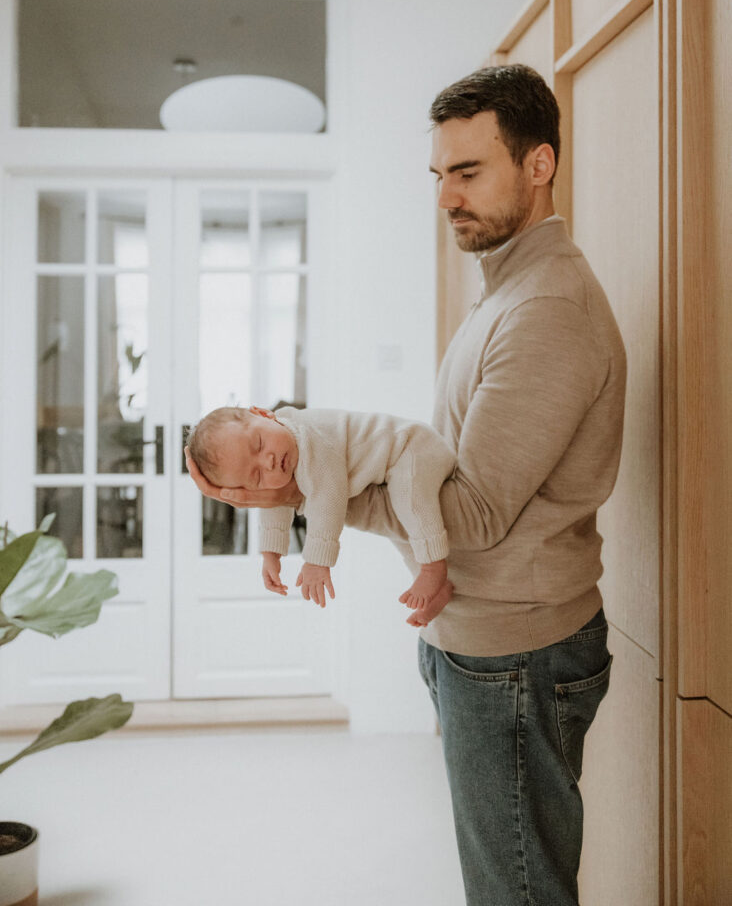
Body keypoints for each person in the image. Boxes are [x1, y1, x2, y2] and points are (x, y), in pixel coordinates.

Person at [186, 64, 626, 906]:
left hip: (516, 653)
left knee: (517, 893)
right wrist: (320, 478)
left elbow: (475, 512)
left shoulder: (544, 311)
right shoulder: (506, 291)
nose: (445, 197)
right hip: (484, 643)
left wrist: (317, 494)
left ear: (539, 166)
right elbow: (438, 465)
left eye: (468, 173)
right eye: (439, 175)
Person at [186, 403, 456, 625]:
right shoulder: (283, 450)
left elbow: (329, 496)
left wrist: (317, 561)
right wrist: (271, 554)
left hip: (412, 447)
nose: (267, 462)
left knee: (410, 500)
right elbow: (275, 502)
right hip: (387, 470)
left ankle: (434, 567)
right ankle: (438, 591)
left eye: (258, 444)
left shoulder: (308, 438)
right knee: (406, 528)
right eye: (256, 476)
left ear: (263, 414)